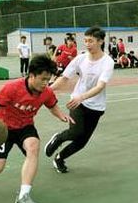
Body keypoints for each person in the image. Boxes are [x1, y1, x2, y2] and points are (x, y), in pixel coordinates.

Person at [0, 55, 74, 203]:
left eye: (48, 79)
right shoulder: (12, 88)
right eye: (43, 79)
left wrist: (61, 115)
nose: (46, 83)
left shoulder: (46, 92)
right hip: (3, 129)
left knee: (33, 147)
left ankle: (24, 196)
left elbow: (52, 106)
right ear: (31, 75)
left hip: (25, 127)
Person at [44, 27, 114, 173]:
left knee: (82, 141)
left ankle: (60, 158)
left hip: (96, 106)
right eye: (86, 41)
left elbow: (100, 86)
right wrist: (48, 90)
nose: (87, 44)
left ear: (100, 41)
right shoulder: (81, 58)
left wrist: (83, 96)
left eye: (91, 41)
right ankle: (58, 138)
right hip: (77, 102)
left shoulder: (107, 62)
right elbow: (64, 78)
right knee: (76, 132)